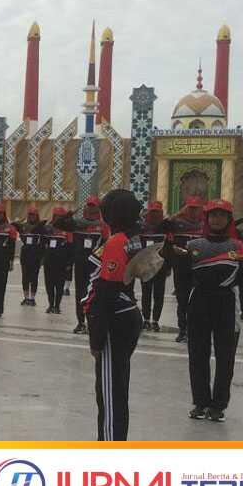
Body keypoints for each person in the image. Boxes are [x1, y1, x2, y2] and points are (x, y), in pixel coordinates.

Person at [178, 199, 243, 423]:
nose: (217, 219)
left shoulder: (236, 247)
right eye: (213, 215)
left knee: (225, 355)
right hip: (199, 302)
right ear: (206, 218)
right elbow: (183, 278)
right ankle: (200, 402)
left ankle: (218, 405)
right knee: (197, 354)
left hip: (225, 302)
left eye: (222, 215)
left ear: (228, 219)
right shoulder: (194, 245)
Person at [84, 189, 144, 441]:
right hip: (127, 313)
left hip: (114, 321)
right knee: (117, 387)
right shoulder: (133, 237)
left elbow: (106, 292)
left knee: (109, 392)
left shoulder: (118, 241)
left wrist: (96, 338)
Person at [54, 196, 110, 335]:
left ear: (98, 208)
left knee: (94, 294)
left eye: (94, 206)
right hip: (80, 264)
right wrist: (68, 215)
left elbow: (105, 244)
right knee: (80, 293)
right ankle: (81, 323)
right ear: (85, 207)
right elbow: (57, 224)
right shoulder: (77, 223)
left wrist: (99, 261)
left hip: (95, 265)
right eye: (89, 205)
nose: (91, 208)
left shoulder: (103, 225)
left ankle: (93, 322)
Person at [163, 196, 206, 343]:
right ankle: (182, 330)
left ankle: (195, 330)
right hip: (181, 268)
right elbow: (161, 228)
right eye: (190, 208)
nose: (193, 212)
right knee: (182, 300)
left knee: (198, 301)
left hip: (199, 268)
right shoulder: (176, 223)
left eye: (196, 209)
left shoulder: (204, 224)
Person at [137, 201, 170, 332]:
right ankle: (146, 319)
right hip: (146, 265)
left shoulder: (165, 227)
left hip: (160, 265)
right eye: (152, 212)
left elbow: (168, 249)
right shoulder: (142, 228)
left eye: (157, 212)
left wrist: (168, 267)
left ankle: (155, 320)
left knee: (159, 294)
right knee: (146, 293)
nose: (155, 215)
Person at [41, 207, 73, 314]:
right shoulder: (48, 229)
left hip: (62, 262)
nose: (58, 218)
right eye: (56, 216)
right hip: (49, 261)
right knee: (49, 284)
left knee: (59, 285)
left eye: (60, 216)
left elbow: (70, 248)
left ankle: (57, 306)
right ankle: (50, 305)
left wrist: (69, 263)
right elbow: (42, 243)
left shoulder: (68, 231)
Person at [16, 206, 45, 307]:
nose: (32, 217)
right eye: (30, 215)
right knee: (25, 277)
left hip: (36, 254)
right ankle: (26, 297)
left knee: (34, 277)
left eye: (34, 215)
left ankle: (32, 298)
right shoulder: (23, 226)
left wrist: (42, 257)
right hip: (25, 254)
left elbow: (43, 243)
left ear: (37, 216)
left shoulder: (41, 227)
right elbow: (13, 225)